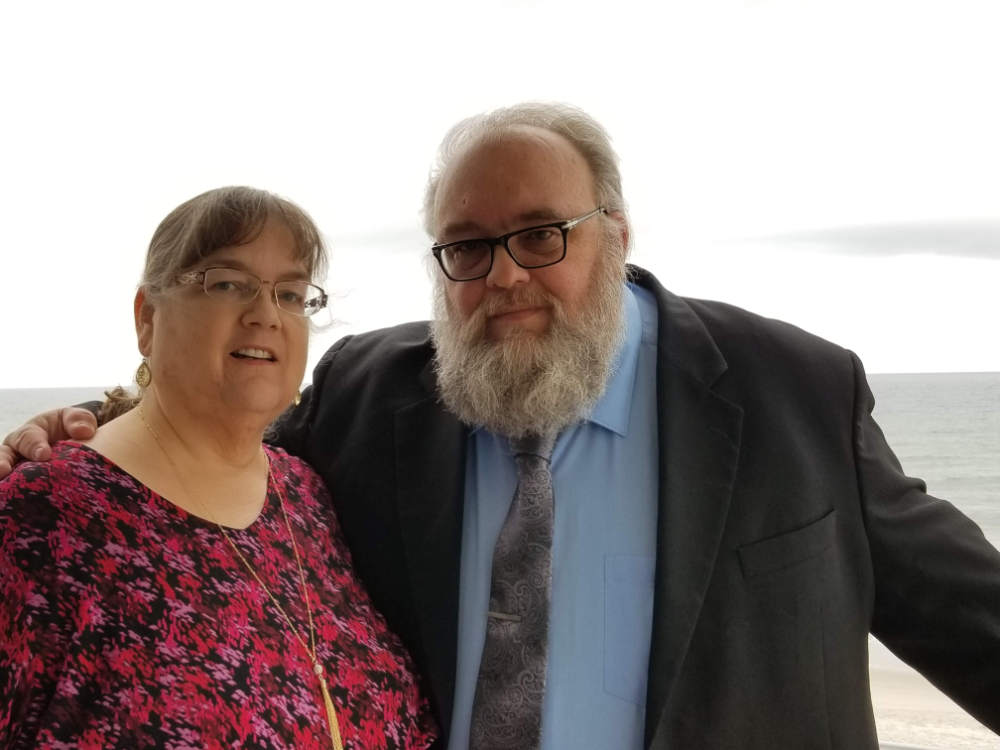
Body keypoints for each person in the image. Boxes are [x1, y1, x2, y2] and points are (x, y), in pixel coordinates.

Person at [3, 105, 999, 749]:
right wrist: (91, 424)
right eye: (468, 247)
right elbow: (214, 458)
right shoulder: (369, 391)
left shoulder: (793, 389)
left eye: (540, 234)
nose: (506, 274)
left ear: (615, 234)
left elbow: (966, 616)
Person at [0, 187, 437, 748]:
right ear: (146, 318)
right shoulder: (43, 515)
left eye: (290, 293)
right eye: (228, 283)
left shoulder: (307, 493)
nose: (266, 315)